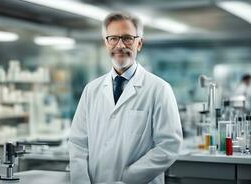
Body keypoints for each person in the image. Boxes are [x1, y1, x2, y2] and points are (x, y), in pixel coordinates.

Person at [68, 12, 183, 184]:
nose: (120, 45)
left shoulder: (159, 89)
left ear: (139, 43)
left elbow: (168, 146)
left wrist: (129, 178)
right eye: (113, 38)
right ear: (106, 43)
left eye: (128, 38)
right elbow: (78, 143)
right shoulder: (91, 90)